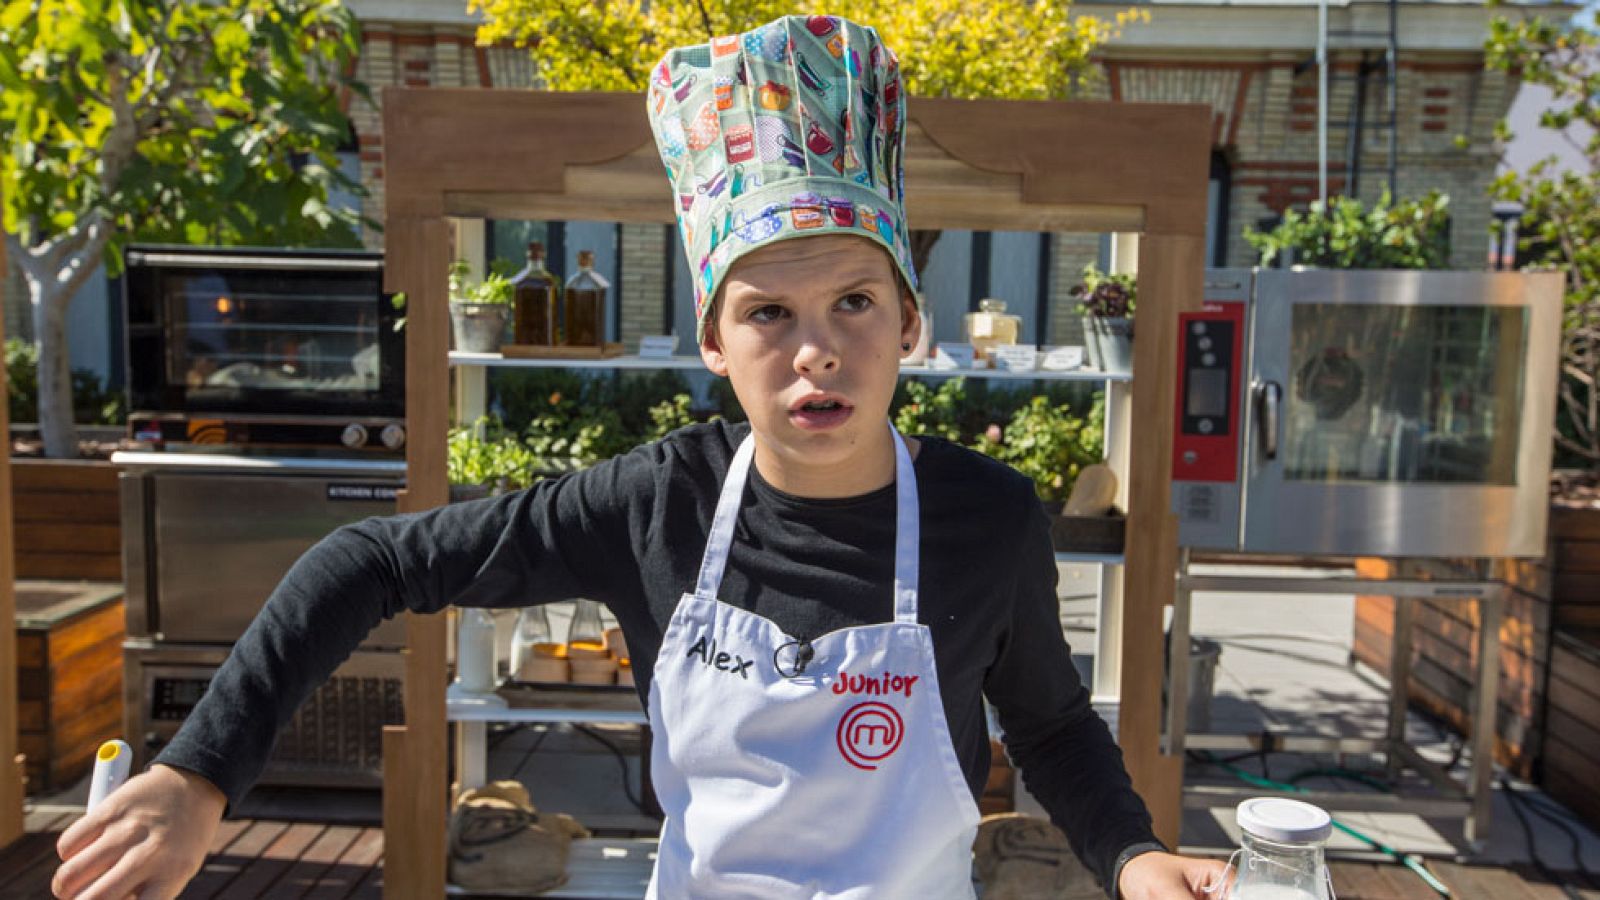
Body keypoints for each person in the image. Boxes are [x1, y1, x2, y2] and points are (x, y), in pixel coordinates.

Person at [54, 16, 1226, 900]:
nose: (816, 352)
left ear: (911, 324)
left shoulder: (989, 517)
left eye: (856, 303)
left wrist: (1133, 861)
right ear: (714, 342)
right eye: (769, 314)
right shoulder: (657, 501)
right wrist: (200, 775)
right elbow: (365, 562)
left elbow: (1055, 728)